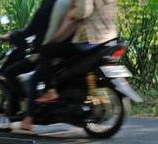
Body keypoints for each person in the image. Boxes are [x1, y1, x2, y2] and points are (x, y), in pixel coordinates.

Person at [21, 0, 118, 131]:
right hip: (108, 37)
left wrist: (72, 12)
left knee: (46, 50)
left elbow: (82, 12)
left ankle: (51, 90)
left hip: (89, 38)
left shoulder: (57, 4)